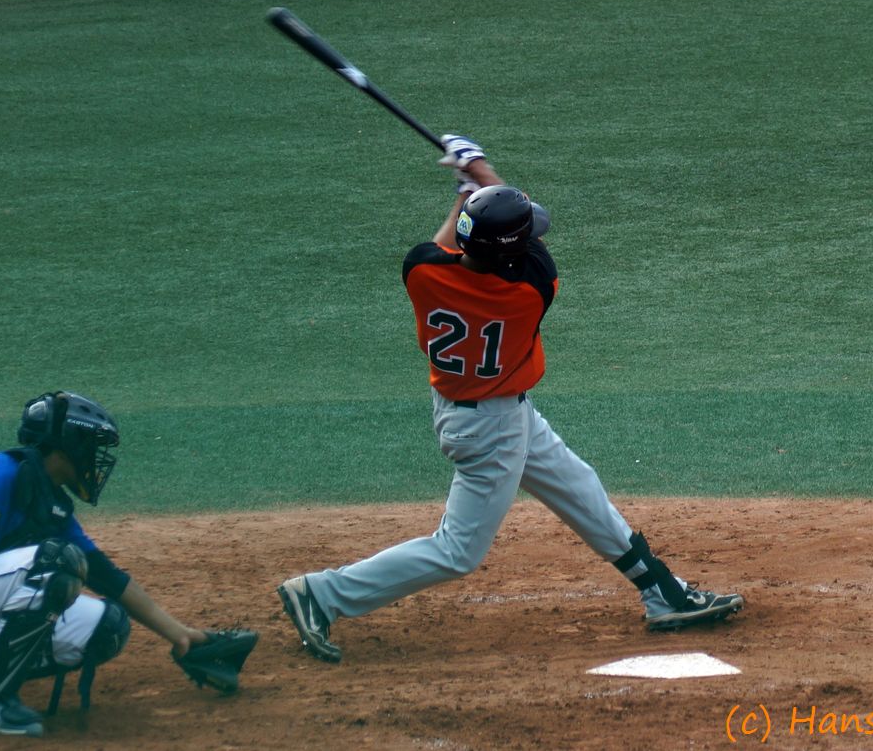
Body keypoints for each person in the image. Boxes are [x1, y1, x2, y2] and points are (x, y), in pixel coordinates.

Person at [277, 135, 744, 664]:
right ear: (511, 253)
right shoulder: (530, 290)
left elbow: (448, 245)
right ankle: (323, 594)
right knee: (457, 552)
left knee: (579, 487)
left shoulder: (422, 272)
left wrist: (464, 196)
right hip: (490, 430)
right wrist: (478, 167)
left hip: (478, 411)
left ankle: (662, 592)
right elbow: (515, 226)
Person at [0, 391, 222, 736]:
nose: (95, 458)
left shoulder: (50, 502)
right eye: (91, 446)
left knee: (107, 627)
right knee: (59, 560)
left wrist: (180, 635)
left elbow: (105, 575)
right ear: (71, 443)